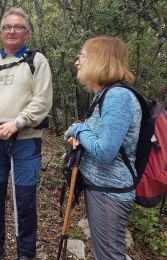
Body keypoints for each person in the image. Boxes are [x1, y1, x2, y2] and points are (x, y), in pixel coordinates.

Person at [0, 7, 53, 260]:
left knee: (25, 198)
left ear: (26, 32)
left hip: (26, 140)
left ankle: (25, 253)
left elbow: (42, 100)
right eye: (7, 27)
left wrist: (17, 123)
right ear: (0, 32)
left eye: (17, 27)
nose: (11, 31)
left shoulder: (36, 61)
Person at [64, 36, 142, 259]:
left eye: (82, 56)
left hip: (110, 192)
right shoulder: (105, 94)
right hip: (102, 188)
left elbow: (105, 151)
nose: (77, 62)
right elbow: (95, 136)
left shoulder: (117, 96)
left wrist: (79, 130)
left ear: (99, 60)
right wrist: (79, 130)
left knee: (109, 256)